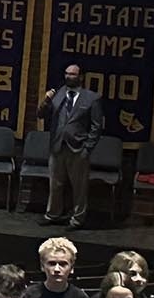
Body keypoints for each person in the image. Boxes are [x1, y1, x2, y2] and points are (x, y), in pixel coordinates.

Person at [38, 63, 105, 230]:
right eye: (67, 74)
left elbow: (97, 126)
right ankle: (53, 214)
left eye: (73, 74)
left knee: (79, 187)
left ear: (80, 77)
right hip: (57, 146)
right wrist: (46, 100)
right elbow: (41, 115)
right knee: (55, 184)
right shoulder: (58, 94)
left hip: (78, 148)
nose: (69, 77)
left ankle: (77, 219)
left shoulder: (92, 98)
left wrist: (87, 148)